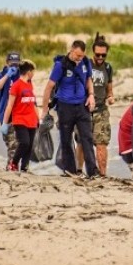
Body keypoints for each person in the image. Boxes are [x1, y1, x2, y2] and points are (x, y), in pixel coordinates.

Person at [40, 40, 100, 178]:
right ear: (71, 50)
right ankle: (70, 170)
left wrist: (91, 95)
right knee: (66, 139)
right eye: (77, 55)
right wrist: (44, 110)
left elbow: (89, 80)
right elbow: (49, 87)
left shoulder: (85, 62)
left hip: (82, 105)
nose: (79, 59)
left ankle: (92, 171)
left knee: (87, 138)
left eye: (81, 56)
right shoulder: (60, 65)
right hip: (65, 106)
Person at [76, 36, 115, 175]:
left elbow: (109, 89)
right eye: (97, 54)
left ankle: (102, 174)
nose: (100, 57)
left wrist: (110, 97)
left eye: (103, 55)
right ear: (93, 52)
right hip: (84, 109)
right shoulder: (85, 65)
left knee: (101, 143)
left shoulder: (108, 67)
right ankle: (79, 170)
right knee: (81, 142)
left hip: (101, 110)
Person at [0, 60, 39, 172]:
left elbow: (33, 103)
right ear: (29, 72)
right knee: (24, 142)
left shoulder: (30, 84)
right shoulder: (16, 86)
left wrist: (38, 118)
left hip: (31, 120)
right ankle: (14, 163)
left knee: (30, 146)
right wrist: (5, 123)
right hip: (20, 120)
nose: (34, 74)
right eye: (33, 71)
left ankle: (25, 168)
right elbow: (9, 106)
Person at [0, 52, 20, 169]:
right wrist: (7, 75)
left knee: (19, 143)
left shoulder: (21, 75)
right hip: (5, 115)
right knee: (11, 143)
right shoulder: (1, 74)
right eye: (11, 63)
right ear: (7, 62)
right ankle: (11, 166)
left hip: (20, 113)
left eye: (16, 63)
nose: (14, 65)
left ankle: (13, 166)